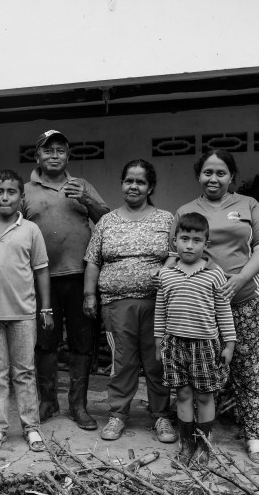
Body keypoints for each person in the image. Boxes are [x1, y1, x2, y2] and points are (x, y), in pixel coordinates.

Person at [167, 149, 259, 465]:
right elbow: (173, 255)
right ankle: (200, 438)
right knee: (200, 376)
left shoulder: (248, 205)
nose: (213, 178)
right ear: (198, 175)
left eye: (220, 173)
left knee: (249, 368)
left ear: (232, 176)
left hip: (246, 302)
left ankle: (253, 435)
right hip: (201, 310)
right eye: (207, 172)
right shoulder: (186, 210)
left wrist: (241, 278)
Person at [83, 159, 177, 443]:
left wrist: (166, 268)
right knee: (121, 361)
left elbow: (177, 253)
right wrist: (89, 295)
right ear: (122, 184)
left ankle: (161, 417)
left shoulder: (166, 219)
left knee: (156, 360)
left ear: (150, 187)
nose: (133, 186)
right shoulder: (107, 221)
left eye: (140, 181)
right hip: (116, 303)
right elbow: (93, 262)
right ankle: (118, 415)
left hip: (157, 303)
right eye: (128, 180)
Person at [25, 130, 110, 430]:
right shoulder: (25, 191)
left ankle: (79, 406)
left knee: (82, 344)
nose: (54, 155)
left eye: (60, 150)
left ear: (68, 156)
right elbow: (8, 222)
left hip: (80, 278)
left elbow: (107, 221)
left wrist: (88, 200)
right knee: (44, 342)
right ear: (37, 156)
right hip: (41, 280)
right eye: (48, 150)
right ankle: (48, 403)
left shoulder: (81, 186)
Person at [0, 169, 54, 453]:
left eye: (12, 192)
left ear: (21, 196)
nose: (5, 197)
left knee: (25, 372)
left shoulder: (31, 230)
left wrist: (46, 308)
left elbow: (41, 271)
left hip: (23, 314)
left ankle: (31, 428)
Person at [154, 212, 236, 467]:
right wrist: (159, 343)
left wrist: (230, 344)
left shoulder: (214, 275)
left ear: (206, 244)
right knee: (183, 394)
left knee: (204, 396)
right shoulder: (166, 275)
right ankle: (186, 444)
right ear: (175, 242)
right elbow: (160, 311)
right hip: (175, 344)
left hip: (205, 346)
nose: (190, 245)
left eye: (197, 240)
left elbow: (223, 311)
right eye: (185, 238)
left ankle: (204, 445)